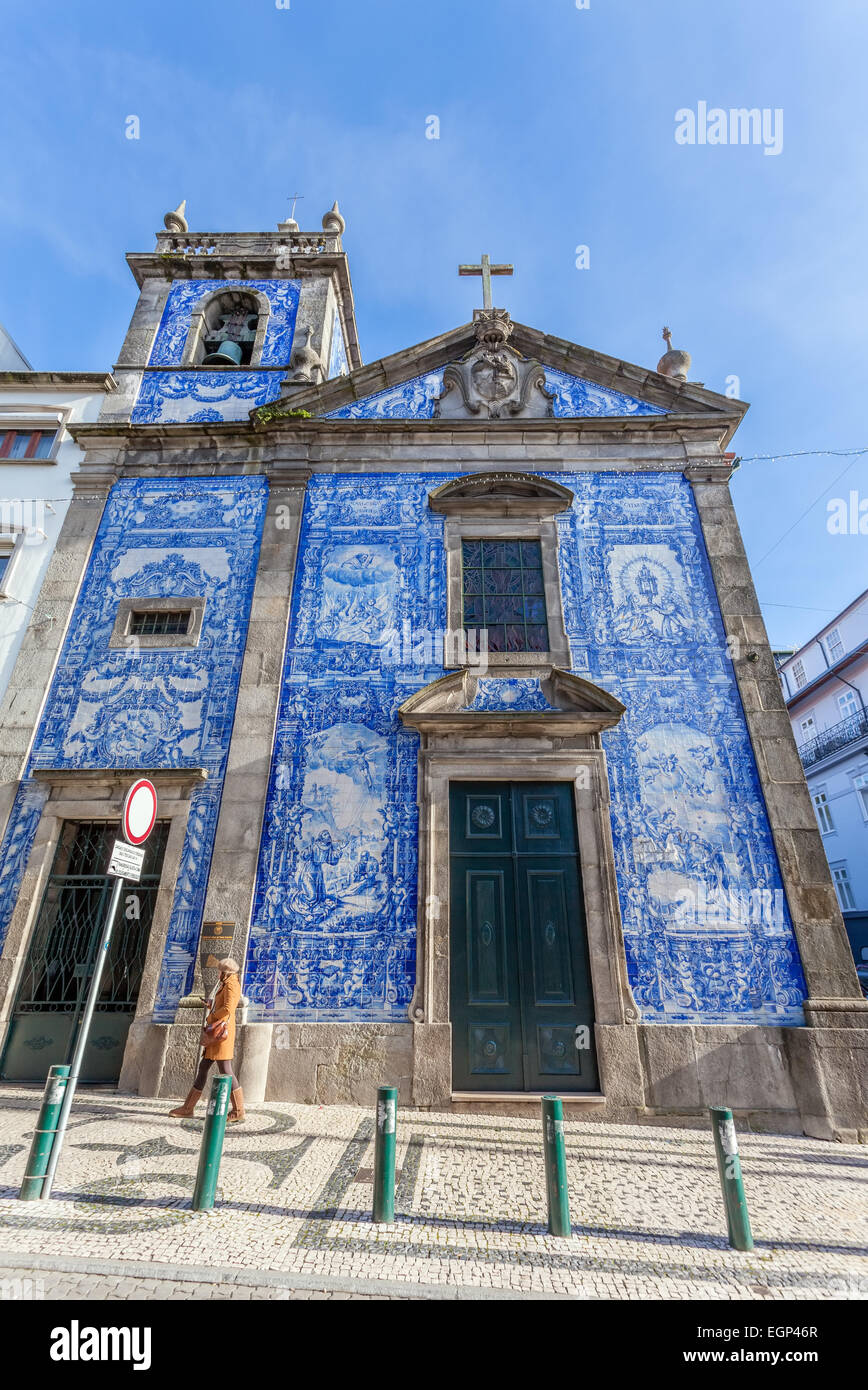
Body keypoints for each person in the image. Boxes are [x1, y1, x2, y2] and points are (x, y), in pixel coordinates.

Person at [168, 957, 245, 1123]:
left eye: (220, 971)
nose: (218, 973)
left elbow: (228, 1009)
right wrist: (211, 1004)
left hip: (221, 1034)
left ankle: (239, 1110)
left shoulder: (232, 985)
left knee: (226, 1070)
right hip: (217, 1035)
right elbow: (222, 1005)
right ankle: (188, 1108)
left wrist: (211, 1017)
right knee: (204, 1068)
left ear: (225, 972)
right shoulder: (226, 984)